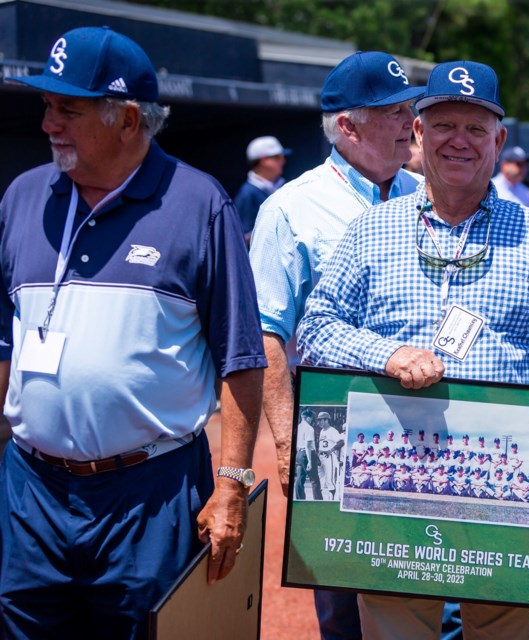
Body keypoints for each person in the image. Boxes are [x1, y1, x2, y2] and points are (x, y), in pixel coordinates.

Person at [0, 27, 265, 638]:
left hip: (148, 494)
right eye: (46, 105)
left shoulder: (198, 204)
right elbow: (3, 346)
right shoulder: (22, 198)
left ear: (125, 118)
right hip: (31, 488)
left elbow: (242, 359)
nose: (48, 123)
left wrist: (232, 485)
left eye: (68, 108)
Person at [297, 58, 529, 640]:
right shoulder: (372, 229)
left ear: (499, 141)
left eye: (477, 129)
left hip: (502, 486)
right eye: (445, 124)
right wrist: (387, 355)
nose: (460, 141)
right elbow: (317, 328)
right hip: (390, 482)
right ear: (418, 133)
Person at [248, 50, 424, 640]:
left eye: (410, 109)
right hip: (337, 429)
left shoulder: (429, 195)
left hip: (429, 428)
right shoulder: (291, 208)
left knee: (438, 588)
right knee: (346, 609)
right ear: (347, 126)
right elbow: (268, 332)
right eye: (394, 112)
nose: (410, 122)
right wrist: (287, 437)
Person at [234, 135, 289, 243]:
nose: (283, 161)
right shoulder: (247, 193)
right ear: (263, 160)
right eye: (278, 157)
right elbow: (242, 237)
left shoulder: (285, 187)